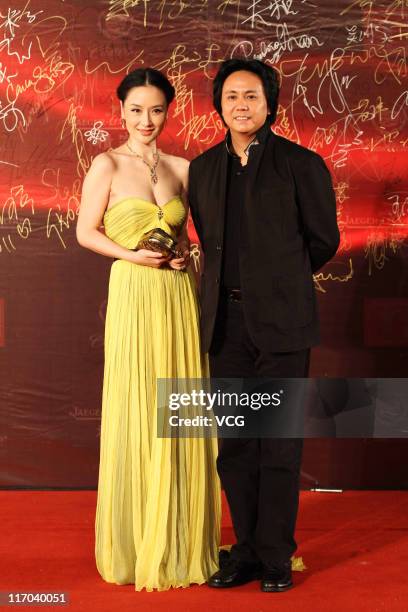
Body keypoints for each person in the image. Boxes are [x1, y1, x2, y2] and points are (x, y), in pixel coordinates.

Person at [188, 58, 340, 593]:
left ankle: (276, 556)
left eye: (251, 96)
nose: (241, 106)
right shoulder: (203, 169)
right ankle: (246, 551)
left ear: (270, 104)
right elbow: (210, 237)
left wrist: (278, 285)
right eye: (231, 97)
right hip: (224, 325)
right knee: (234, 446)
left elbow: (323, 240)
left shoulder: (302, 164)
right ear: (219, 105)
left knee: (276, 444)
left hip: (281, 325)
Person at [76, 67, 221, 592]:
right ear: (120, 111)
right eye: (136, 109)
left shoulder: (184, 168)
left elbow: (202, 236)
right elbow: (85, 233)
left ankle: (182, 539)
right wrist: (136, 257)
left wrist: (187, 255)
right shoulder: (107, 164)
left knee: (179, 410)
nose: (146, 119)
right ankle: (140, 540)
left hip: (179, 298)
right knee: (140, 406)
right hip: (136, 295)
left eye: (156, 109)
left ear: (168, 112)